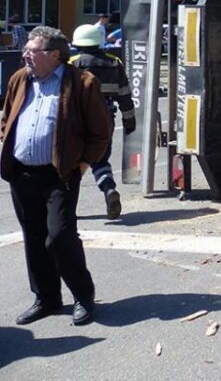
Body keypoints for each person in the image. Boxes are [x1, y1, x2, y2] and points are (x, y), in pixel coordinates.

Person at [0, 26, 110, 326]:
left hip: (59, 176)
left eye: (32, 51)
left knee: (60, 237)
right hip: (22, 174)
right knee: (33, 239)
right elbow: (7, 115)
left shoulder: (82, 83)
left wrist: (83, 164)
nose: (25, 54)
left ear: (53, 55)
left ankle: (83, 296)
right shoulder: (19, 79)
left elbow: (101, 132)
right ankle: (46, 298)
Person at [70, 24, 135, 219]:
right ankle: (108, 189)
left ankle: (67, 208)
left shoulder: (72, 63)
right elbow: (124, 94)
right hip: (105, 118)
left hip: (78, 119)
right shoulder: (114, 62)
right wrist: (129, 120)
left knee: (72, 164)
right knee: (100, 160)